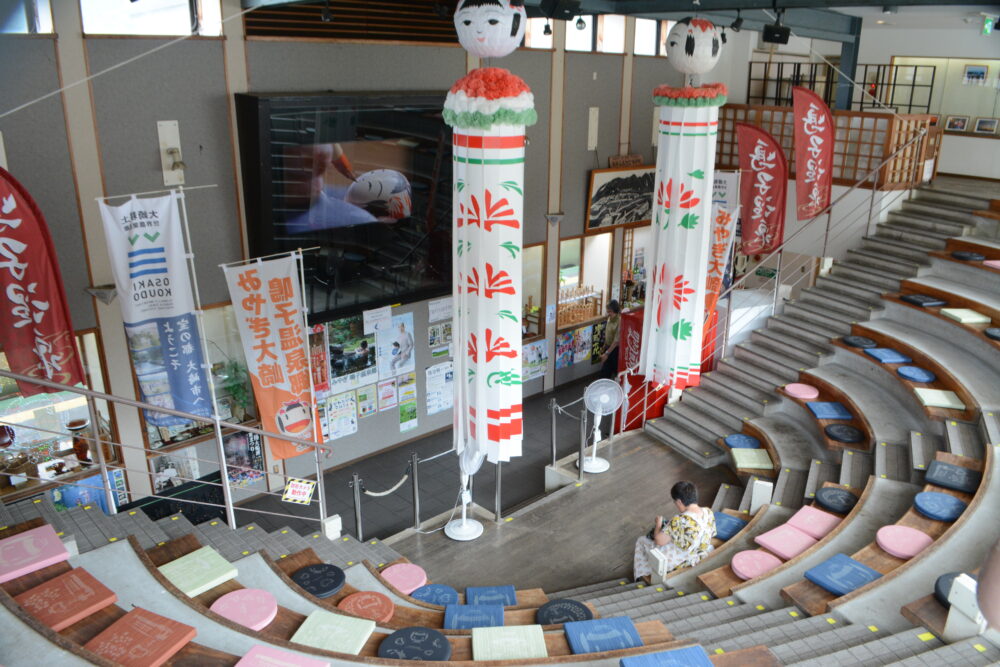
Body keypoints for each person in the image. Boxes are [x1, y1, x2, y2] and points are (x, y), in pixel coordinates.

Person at [633, 481, 716, 583]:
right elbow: (712, 533)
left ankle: (642, 575)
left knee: (641, 541)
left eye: (675, 502)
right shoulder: (708, 512)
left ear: (679, 502)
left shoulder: (680, 520)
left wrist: (659, 523)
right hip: (700, 552)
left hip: (683, 560)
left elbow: (659, 540)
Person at [599, 300, 621, 379]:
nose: (608, 313)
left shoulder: (619, 321)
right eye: (607, 311)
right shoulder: (610, 319)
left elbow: (616, 341)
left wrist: (607, 354)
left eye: (610, 312)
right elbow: (607, 333)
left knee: (615, 371)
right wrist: (605, 346)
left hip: (615, 350)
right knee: (605, 372)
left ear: (615, 311)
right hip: (608, 348)